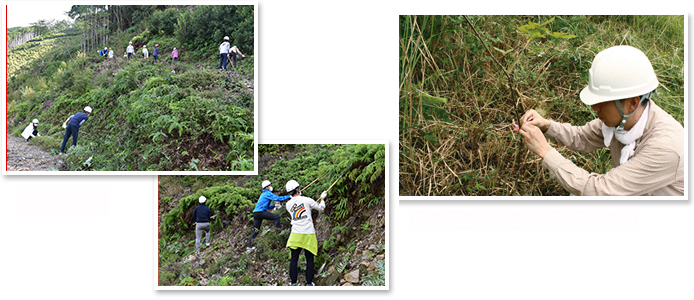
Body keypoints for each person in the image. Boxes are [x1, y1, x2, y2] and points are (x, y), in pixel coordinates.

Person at [518, 45, 684, 196]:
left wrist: (545, 151)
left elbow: (600, 191)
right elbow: (582, 137)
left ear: (632, 103)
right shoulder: (623, 120)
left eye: (602, 102)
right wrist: (546, 125)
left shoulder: (666, 148)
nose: (595, 107)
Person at [284, 180, 328, 286]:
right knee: (309, 259)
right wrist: (322, 198)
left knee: (294, 259)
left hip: (295, 234)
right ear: (298, 189)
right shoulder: (307, 200)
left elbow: (297, 206)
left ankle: (293, 283)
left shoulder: (288, 204)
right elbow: (321, 208)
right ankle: (309, 283)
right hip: (308, 233)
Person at [247, 180, 291, 251]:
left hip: (256, 214)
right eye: (269, 185)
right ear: (266, 187)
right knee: (276, 217)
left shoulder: (263, 194)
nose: (271, 186)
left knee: (256, 230)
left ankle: (249, 247)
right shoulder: (267, 193)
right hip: (261, 212)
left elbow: (266, 206)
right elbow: (278, 198)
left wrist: (273, 206)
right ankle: (278, 233)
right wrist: (289, 196)